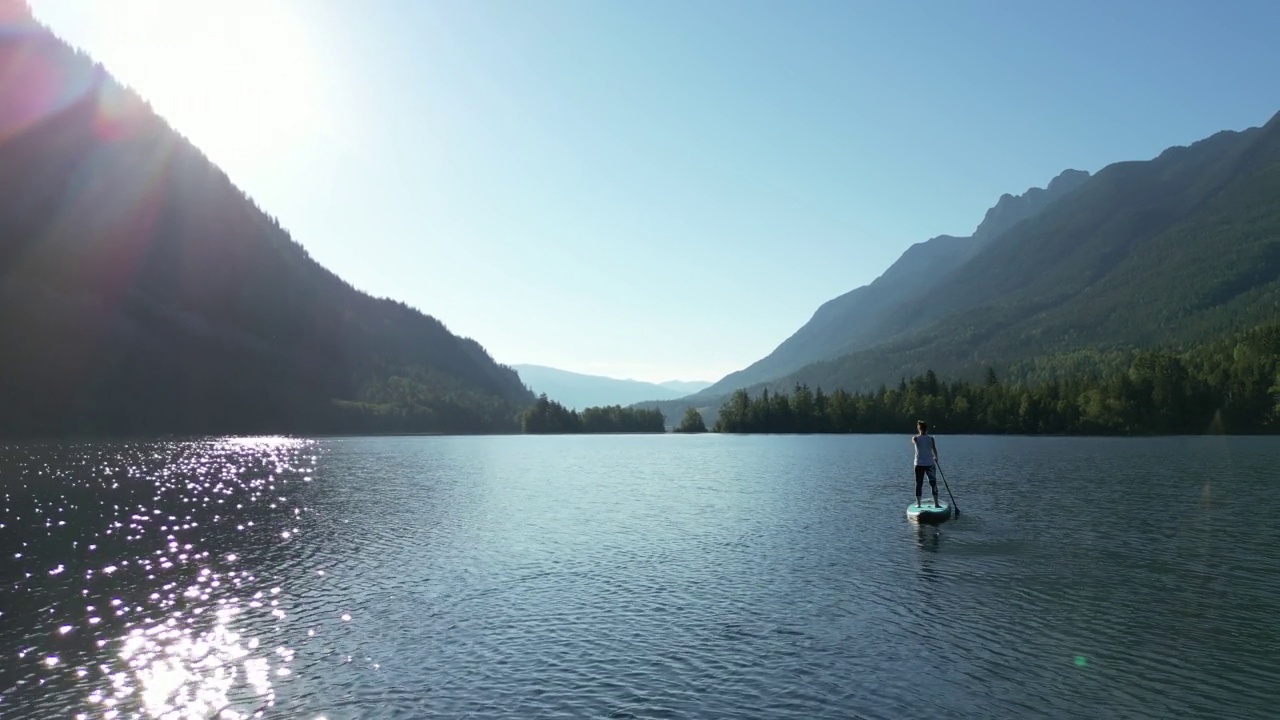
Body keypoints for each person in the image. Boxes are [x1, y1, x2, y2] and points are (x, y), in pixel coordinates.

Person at [912, 420, 940, 507]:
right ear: (926, 428)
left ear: (918, 428)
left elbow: (916, 443)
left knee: (919, 483)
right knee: (933, 483)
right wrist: (936, 457)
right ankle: (936, 504)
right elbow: (934, 449)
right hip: (929, 464)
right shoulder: (931, 439)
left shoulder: (915, 438)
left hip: (919, 464)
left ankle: (918, 504)